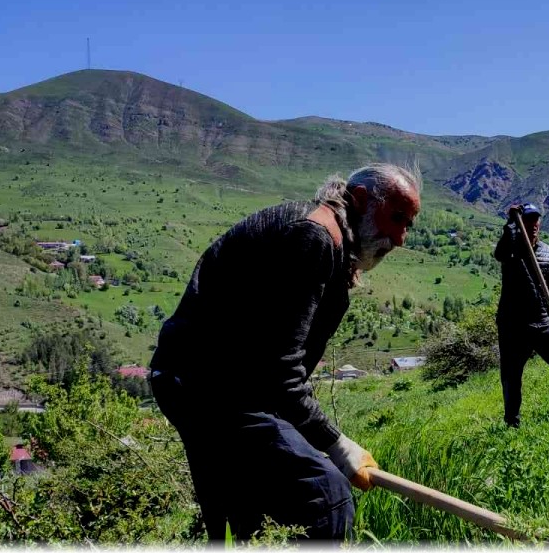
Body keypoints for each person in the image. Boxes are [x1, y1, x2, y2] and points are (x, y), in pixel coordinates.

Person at [148, 163, 421, 542]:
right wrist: (336, 444)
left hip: (219, 382)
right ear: (359, 201)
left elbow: (269, 358)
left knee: (248, 509)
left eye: (407, 223)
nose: (401, 237)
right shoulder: (314, 236)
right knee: (326, 495)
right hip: (205, 385)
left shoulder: (329, 238)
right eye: (396, 218)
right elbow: (280, 370)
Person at [493, 203, 549, 428]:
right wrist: (511, 223)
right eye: (528, 220)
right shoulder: (511, 248)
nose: (533, 224)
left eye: (536, 220)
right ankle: (512, 423)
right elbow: (499, 253)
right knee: (512, 377)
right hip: (513, 325)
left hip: (542, 321)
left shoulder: (546, 251)